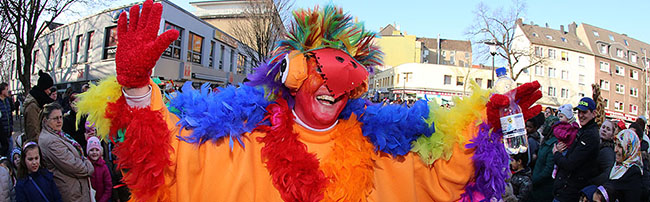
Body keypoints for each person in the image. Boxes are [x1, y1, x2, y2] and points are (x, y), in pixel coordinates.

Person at [75, 1, 544, 201]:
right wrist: (137, 90)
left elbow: (439, 175)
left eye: (347, 78)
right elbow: (167, 163)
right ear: (294, 72)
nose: (332, 88)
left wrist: (486, 130)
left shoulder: (378, 147)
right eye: (323, 70)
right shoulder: (239, 139)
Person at [38, 103, 94, 202]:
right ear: (46, 121)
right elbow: (72, 165)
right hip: (70, 191)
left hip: (76, 188)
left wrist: (84, 160)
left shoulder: (58, 134)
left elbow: (78, 155)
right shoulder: (50, 141)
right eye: (55, 118)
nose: (59, 121)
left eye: (60, 117)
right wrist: (89, 167)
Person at [553, 97, 600, 202]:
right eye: (579, 112)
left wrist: (556, 154)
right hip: (564, 190)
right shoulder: (583, 131)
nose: (580, 115)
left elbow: (571, 164)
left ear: (594, 113)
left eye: (584, 112)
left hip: (570, 193)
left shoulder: (590, 136)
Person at [605, 129, 643, 201]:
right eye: (615, 144)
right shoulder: (618, 165)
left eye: (620, 146)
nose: (615, 150)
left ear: (629, 148)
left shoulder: (634, 173)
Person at [23, 70, 55, 142]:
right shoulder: (33, 107)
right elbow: (33, 131)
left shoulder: (39, 103)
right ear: (44, 88)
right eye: (49, 89)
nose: (49, 92)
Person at [531, 120, 559, 202]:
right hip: (537, 184)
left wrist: (535, 180)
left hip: (543, 188)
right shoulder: (546, 141)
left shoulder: (553, 144)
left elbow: (548, 169)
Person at [551, 104, 580, 178]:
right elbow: (557, 131)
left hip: (570, 146)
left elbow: (575, 132)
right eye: (559, 117)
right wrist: (565, 135)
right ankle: (555, 169)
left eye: (561, 117)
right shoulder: (560, 125)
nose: (560, 119)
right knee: (560, 158)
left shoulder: (573, 125)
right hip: (564, 144)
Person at [592, 119, 617, 186]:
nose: (604, 130)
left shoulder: (607, 151)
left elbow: (608, 173)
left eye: (608, 129)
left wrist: (592, 182)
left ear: (612, 136)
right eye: (603, 127)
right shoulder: (597, 145)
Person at [87, 136, 111, 202]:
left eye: (97, 150)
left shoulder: (104, 167)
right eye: (91, 150)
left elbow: (108, 186)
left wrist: (103, 200)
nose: (94, 152)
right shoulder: (85, 166)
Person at [0, 83, 13, 157]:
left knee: (10, 152)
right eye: (6, 89)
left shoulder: (7, 101)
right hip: (2, 133)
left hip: (9, 131)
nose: (8, 91)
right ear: (2, 91)